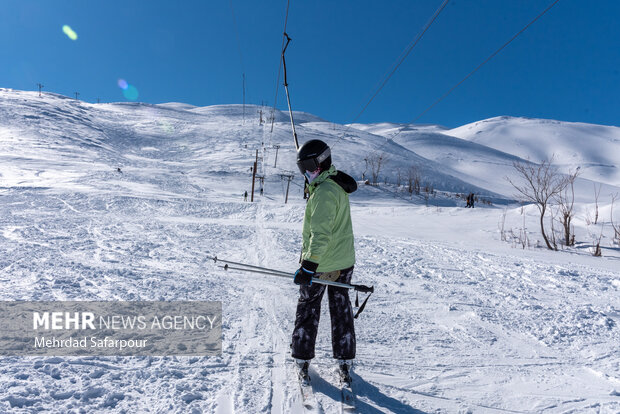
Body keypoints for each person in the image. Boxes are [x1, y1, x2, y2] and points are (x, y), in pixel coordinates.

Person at [291, 139, 358, 386]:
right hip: (344, 262)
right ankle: (345, 358)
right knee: (340, 309)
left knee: (308, 306)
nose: (305, 173)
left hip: (322, 265)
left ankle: (301, 356)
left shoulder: (324, 193)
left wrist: (309, 266)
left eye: (308, 166)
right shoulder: (333, 184)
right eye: (302, 168)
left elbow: (320, 235)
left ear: (320, 162)